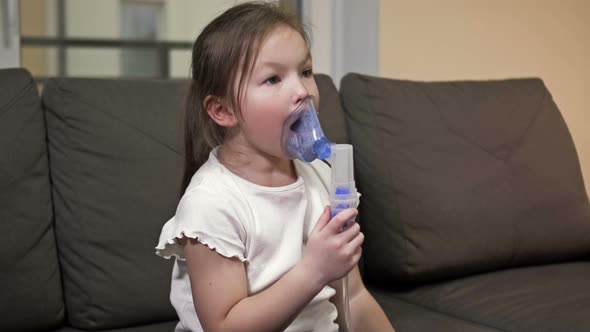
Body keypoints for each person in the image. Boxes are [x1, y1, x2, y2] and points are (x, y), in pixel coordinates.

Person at [156, 2, 395, 332]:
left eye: (306, 72)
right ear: (223, 111)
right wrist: (314, 270)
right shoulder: (211, 203)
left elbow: (353, 297)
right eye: (273, 79)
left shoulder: (323, 177)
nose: (302, 91)